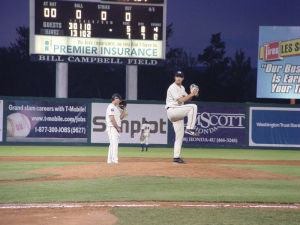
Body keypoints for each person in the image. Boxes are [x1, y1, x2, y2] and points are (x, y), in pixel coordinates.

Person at [166, 71, 199, 164]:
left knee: (179, 136)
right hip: (172, 110)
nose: (178, 78)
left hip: (177, 113)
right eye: (177, 76)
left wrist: (192, 93)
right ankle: (190, 129)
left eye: (180, 76)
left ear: (183, 78)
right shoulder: (172, 87)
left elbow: (187, 98)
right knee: (193, 107)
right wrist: (192, 94)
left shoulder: (182, 88)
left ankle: (176, 158)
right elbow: (181, 100)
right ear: (174, 77)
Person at [106, 93, 127, 164]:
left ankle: (109, 161)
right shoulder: (111, 107)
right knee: (114, 144)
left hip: (115, 128)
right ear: (115, 98)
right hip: (112, 127)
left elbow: (121, 117)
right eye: (119, 99)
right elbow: (111, 118)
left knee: (112, 144)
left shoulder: (116, 108)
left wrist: (124, 109)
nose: (120, 101)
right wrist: (117, 127)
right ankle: (115, 160)